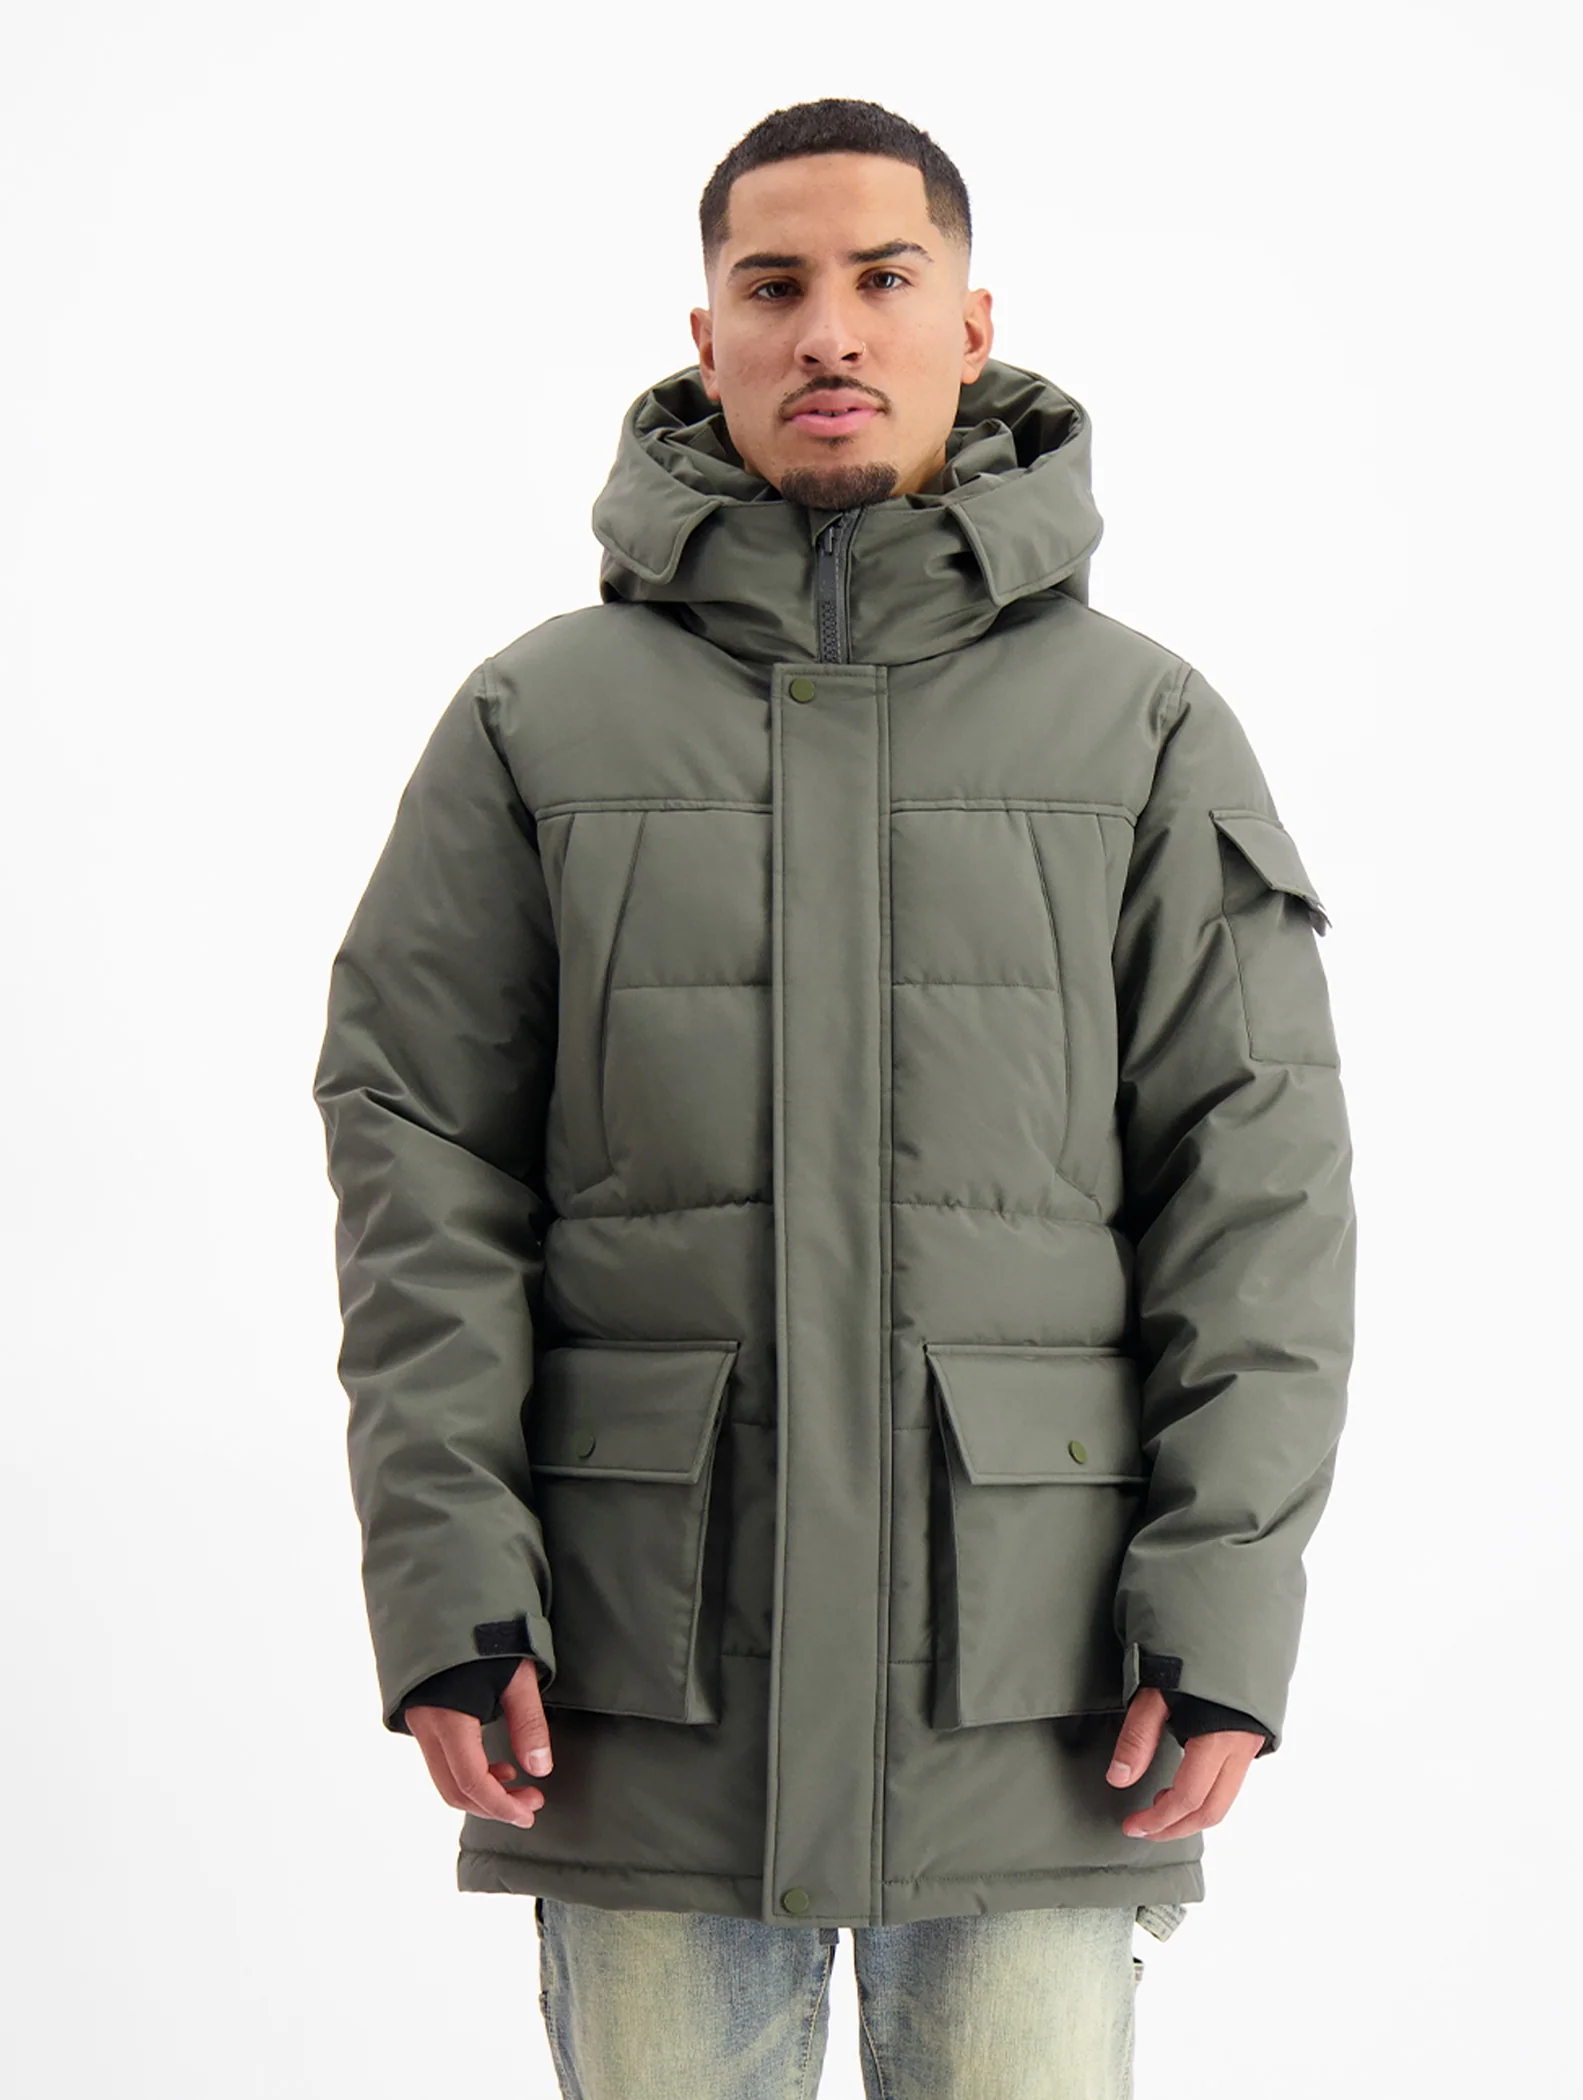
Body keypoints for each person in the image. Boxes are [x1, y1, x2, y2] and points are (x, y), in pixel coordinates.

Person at [311, 95, 1356, 2100]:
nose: (831, 330)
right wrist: (448, 1589)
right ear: (707, 334)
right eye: (774, 285)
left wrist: (1223, 1602)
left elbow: (1259, 1191)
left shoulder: (1138, 727)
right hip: (637, 1680)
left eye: (886, 277)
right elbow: (417, 1161)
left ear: (974, 321)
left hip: (1040, 1689)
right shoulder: (539, 722)